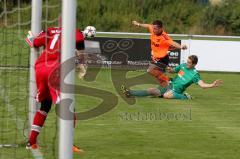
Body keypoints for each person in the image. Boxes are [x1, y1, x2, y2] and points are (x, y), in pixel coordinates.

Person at [25, 26, 85, 153]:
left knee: (45, 105)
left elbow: (34, 42)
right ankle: (68, 144)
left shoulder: (50, 30)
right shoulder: (73, 29)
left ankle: (31, 142)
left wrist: (31, 39)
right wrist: (81, 65)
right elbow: (80, 43)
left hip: (40, 68)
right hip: (54, 69)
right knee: (68, 106)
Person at [121, 55, 223, 99]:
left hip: (177, 91)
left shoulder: (195, 74)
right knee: (152, 90)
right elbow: (173, 71)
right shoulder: (182, 66)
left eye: (189, 63)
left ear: (194, 64)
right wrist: (168, 69)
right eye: (187, 62)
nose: (186, 64)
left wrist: (212, 85)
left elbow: (202, 85)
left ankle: (185, 97)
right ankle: (129, 93)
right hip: (169, 85)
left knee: (165, 96)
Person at [132, 20, 187, 87]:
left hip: (162, 59)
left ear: (161, 28)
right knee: (160, 79)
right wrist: (138, 24)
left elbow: (173, 43)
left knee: (150, 70)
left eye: (155, 28)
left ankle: (169, 80)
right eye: (153, 28)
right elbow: (148, 26)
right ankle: (166, 90)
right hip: (156, 58)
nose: (153, 30)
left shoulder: (164, 37)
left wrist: (181, 46)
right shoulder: (153, 29)